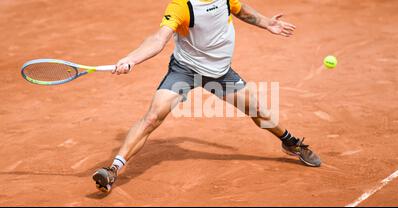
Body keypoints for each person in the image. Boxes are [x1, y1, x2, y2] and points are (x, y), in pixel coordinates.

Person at [93, 0, 321, 193]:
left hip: (220, 74)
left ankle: (290, 142)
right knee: (152, 117)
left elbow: (239, 9)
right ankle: (112, 169)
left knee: (258, 112)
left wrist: (265, 22)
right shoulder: (182, 5)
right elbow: (158, 39)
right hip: (185, 70)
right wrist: (132, 59)